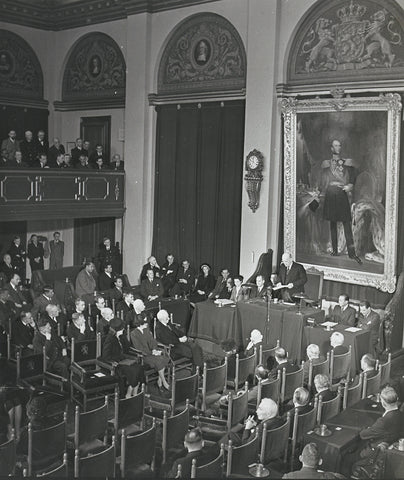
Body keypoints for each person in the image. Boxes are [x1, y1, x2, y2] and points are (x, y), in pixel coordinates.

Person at [321, 139, 361, 264]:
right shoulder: (326, 163)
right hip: (331, 194)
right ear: (331, 148)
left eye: (339, 145)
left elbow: (354, 175)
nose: (338, 147)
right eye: (336, 145)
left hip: (341, 193)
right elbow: (322, 179)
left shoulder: (347, 162)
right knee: (332, 223)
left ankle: (351, 253)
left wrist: (351, 185)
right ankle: (334, 250)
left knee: (346, 223)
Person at [352, 386, 404, 478]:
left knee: (350, 455)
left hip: (376, 452)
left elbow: (363, 435)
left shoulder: (383, 421)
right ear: (397, 399)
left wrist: (366, 428)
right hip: (390, 445)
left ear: (383, 403)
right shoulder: (400, 414)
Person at [130, 314, 170, 390]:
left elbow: (152, 341)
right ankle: (164, 382)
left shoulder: (146, 330)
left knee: (165, 357)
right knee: (159, 361)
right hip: (143, 356)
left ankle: (159, 380)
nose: (147, 323)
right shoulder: (134, 334)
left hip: (151, 353)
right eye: (145, 322)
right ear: (140, 323)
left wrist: (154, 349)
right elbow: (139, 348)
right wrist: (152, 353)